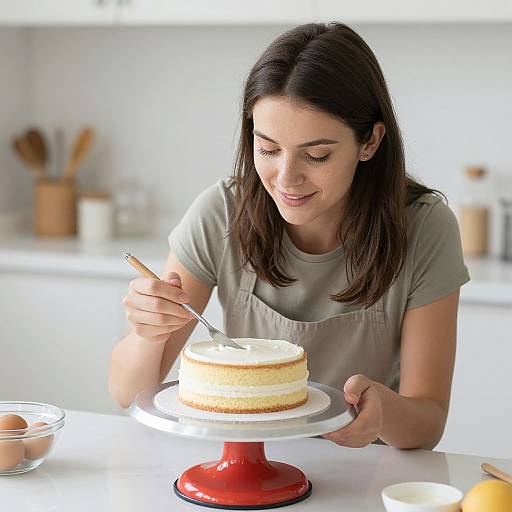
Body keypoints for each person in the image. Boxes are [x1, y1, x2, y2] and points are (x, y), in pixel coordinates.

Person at [109, 22, 470, 450]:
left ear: (370, 141)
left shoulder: (425, 227)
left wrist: (382, 413)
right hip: (247, 461)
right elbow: (127, 394)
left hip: (363, 473)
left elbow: (427, 423)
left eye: (316, 155)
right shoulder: (221, 213)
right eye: (267, 148)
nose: (286, 178)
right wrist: (147, 333)